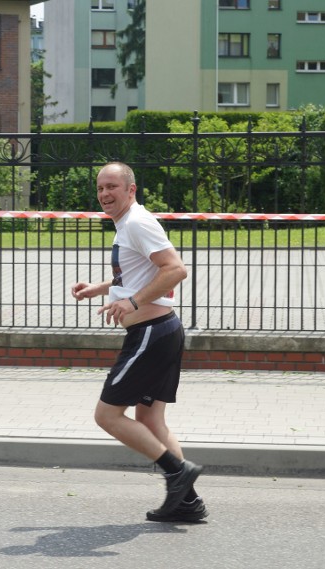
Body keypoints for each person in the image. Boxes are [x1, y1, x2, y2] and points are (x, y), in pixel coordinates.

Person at [70, 162, 206, 522]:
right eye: (100, 188)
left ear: (131, 189)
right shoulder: (128, 224)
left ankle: (177, 471)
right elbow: (137, 274)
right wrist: (99, 289)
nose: (104, 194)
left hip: (150, 334)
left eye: (112, 186)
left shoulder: (137, 222)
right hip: (162, 331)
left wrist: (131, 303)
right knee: (150, 418)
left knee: (107, 415)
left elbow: (175, 269)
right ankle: (188, 502)